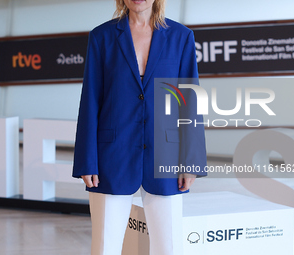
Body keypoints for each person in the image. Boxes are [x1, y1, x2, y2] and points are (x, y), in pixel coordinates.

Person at [72, 0, 207, 254]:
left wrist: (192, 162)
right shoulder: (101, 37)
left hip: (166, 156)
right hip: (112, 156)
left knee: (169, 248)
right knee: (105, 247)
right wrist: (86, 161)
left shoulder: (181, 37)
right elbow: (90, 100)